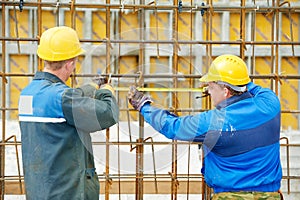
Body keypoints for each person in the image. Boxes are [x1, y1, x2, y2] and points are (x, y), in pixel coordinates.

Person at [128, 54, 282, 200]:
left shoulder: (213, 122)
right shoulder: (270, 104)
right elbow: (250, 86)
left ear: (225, 91)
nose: (207, 91)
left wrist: (143, 106)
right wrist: (235, 79)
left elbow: (173, 127)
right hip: (270, 195)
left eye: (211, 86)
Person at [18, 26, 119, 200]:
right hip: (67, 193)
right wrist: (106, 92)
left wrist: (91, 86)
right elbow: (107, 114)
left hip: (39, 191)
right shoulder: (63, 98)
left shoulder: (27, 94)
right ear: (70, 63)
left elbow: (64, 100)